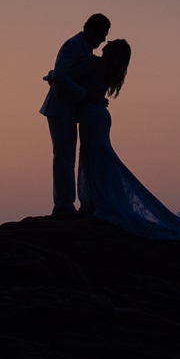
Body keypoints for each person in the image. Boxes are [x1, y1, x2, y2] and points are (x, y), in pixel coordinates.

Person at [58, 37, 180, 240]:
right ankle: (95, 201)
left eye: (111, 42)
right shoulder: (109, 70)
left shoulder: (94, 62)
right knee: (98, 156)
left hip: (91, 114)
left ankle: (94, 202)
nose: (107, 41)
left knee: (92, 155)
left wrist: (53, 75)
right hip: (100, 114)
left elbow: (69, 75)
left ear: (113, 51)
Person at [40, 14, 111, 216]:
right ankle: (63, 204)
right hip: (60, 108)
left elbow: (67, 75)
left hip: (72, 108)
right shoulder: (72, 45)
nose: (103, 40)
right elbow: (62, 77)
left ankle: (67, 203)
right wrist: (86, 95)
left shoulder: (85, 48)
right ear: (92, 30)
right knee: (64, 157)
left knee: (67, 156)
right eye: (102, 34)